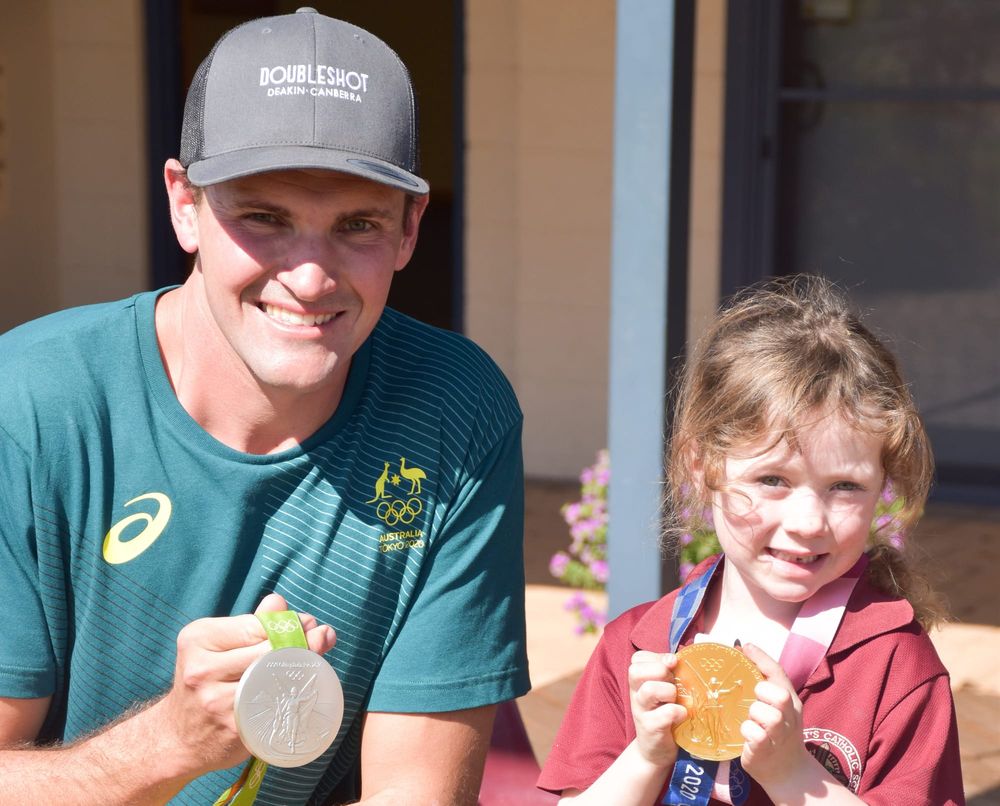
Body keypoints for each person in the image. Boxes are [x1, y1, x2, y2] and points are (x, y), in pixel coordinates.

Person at [0, 8, 528, 804]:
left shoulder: (455, 410)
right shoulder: (33, 403)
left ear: (411, 228)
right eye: (264, 218)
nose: (310, 277)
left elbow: (413, 793)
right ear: (185, 203)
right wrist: (170, 742)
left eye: (358, 225)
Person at [538, 276, 964, 805]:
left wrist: (794, 775)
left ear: (883, 487)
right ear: (702, 467)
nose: (809, 521)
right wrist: (646, 757)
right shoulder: (636, 647)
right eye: (773, 480)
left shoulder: (896, 665)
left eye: (845, 486)